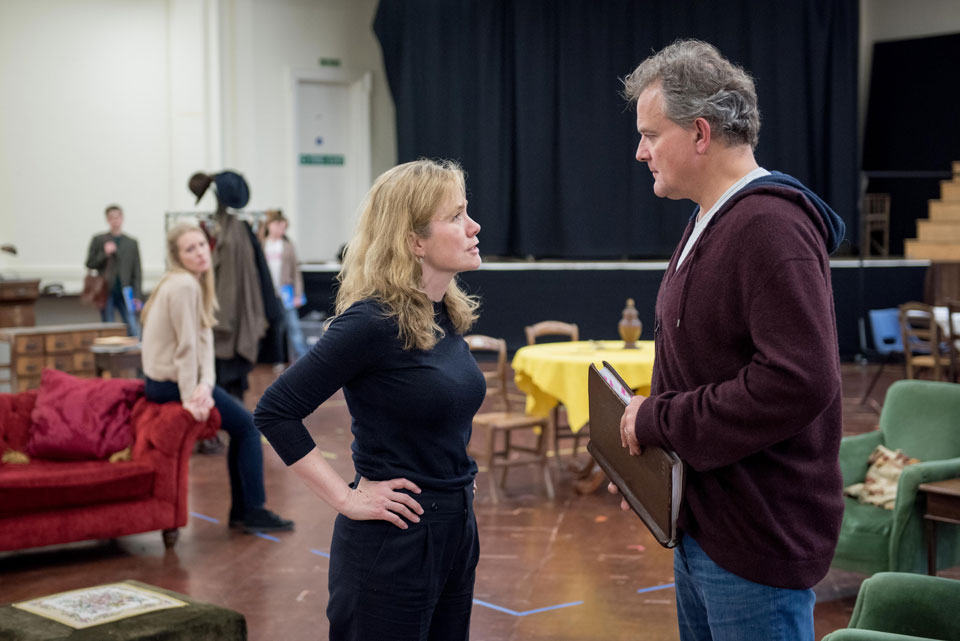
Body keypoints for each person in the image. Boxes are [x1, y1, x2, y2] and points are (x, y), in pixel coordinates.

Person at [612, 39, 846, 640]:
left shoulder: (771, 226)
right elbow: (703, 370)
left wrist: (658, 422)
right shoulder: (707, 218)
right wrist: (654, 466)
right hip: (705, 526)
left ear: (699, 133)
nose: (640, 153)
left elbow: (797, 381)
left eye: (649, 134)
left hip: (754, 544)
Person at [254, 159, 484, 640]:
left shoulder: (443, 313)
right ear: (414, 240)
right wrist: (346, 498)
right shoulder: (372, 322)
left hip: (455, 531)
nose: (473, 226)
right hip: (393, 545)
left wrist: (455, 485)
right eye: (456, 216)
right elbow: (276, 411)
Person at [140, 222, 294, 534]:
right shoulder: (183, 285)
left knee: (243, 427)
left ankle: (244, 511)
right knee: (249, 427)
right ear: (177, 256)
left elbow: (204, 343)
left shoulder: (192, 283)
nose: (198, 253)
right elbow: (185, 349)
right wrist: (191, 398)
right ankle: (251, 510)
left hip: (172, 381)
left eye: (200, 245)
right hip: (169, 385)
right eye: (189, 249)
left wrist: (207, 385)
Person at [257, 209, 308, 362]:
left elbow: (295, 271)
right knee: (273, 327)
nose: (281, 229)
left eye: (284, 227)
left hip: (286, 293)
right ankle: (275, 359)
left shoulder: (288, 245)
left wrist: (298, 294)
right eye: (278, 225)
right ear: (269, 225)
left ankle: (303, 359)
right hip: (267, 293)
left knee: (293, 326)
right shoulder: (262, 244)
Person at [85, 204, 142, 337]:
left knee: (133, 327)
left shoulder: (131, 243)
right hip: (106, 290)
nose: (115, 220)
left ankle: (135, 356)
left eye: (118, 217)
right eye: (112, 217)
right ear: (107, 219)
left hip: (126, 291)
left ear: (122, 218)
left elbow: (137, 271)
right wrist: (104, 254)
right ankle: (111, 357)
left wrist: (138, 296)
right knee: (109, 328)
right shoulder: (99, 240)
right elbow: (90, 263)